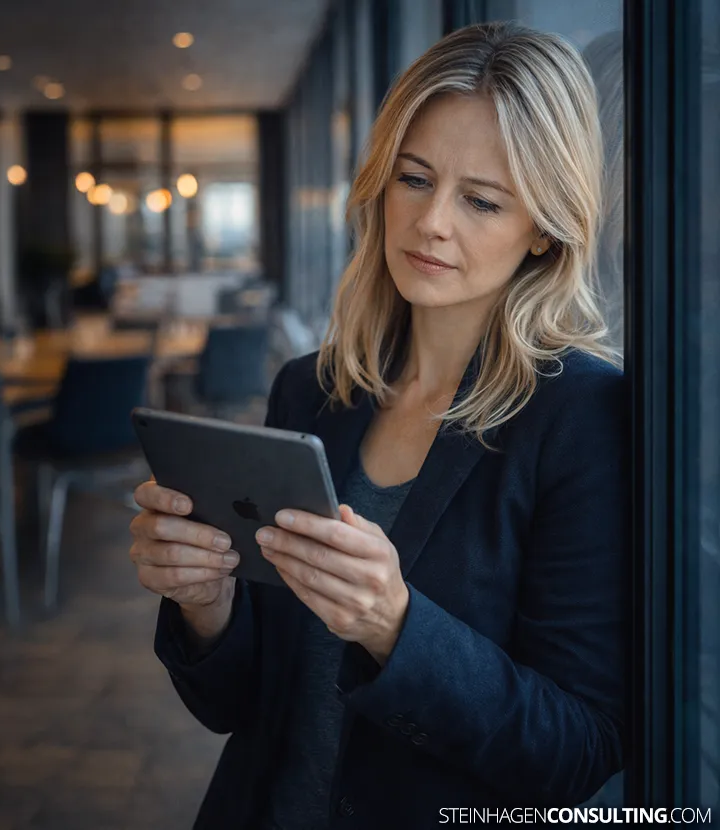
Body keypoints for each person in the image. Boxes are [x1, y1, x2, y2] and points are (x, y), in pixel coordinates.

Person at [129, 21, 628, 829]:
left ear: (544, 226)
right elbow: (239, 707)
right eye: (414, 178)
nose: (432, 222)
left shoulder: (583, 419)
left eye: (481, 200)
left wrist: (395, 626)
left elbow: (576, 751)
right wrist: (205, 602)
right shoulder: (310, 391)